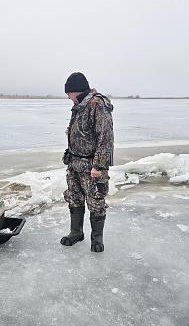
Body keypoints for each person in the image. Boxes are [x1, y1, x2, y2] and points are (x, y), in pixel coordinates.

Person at [61, 72, 114, 252]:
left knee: (96, 202)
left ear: (74, 92)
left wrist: (98, 166)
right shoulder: (80, 106)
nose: (68, 98)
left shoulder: (96, 104)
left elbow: (105, 138)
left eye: (68, 94)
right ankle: (76, 233)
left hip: (92, 166)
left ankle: (97, 239)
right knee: (74, 198)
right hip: (75, 162)